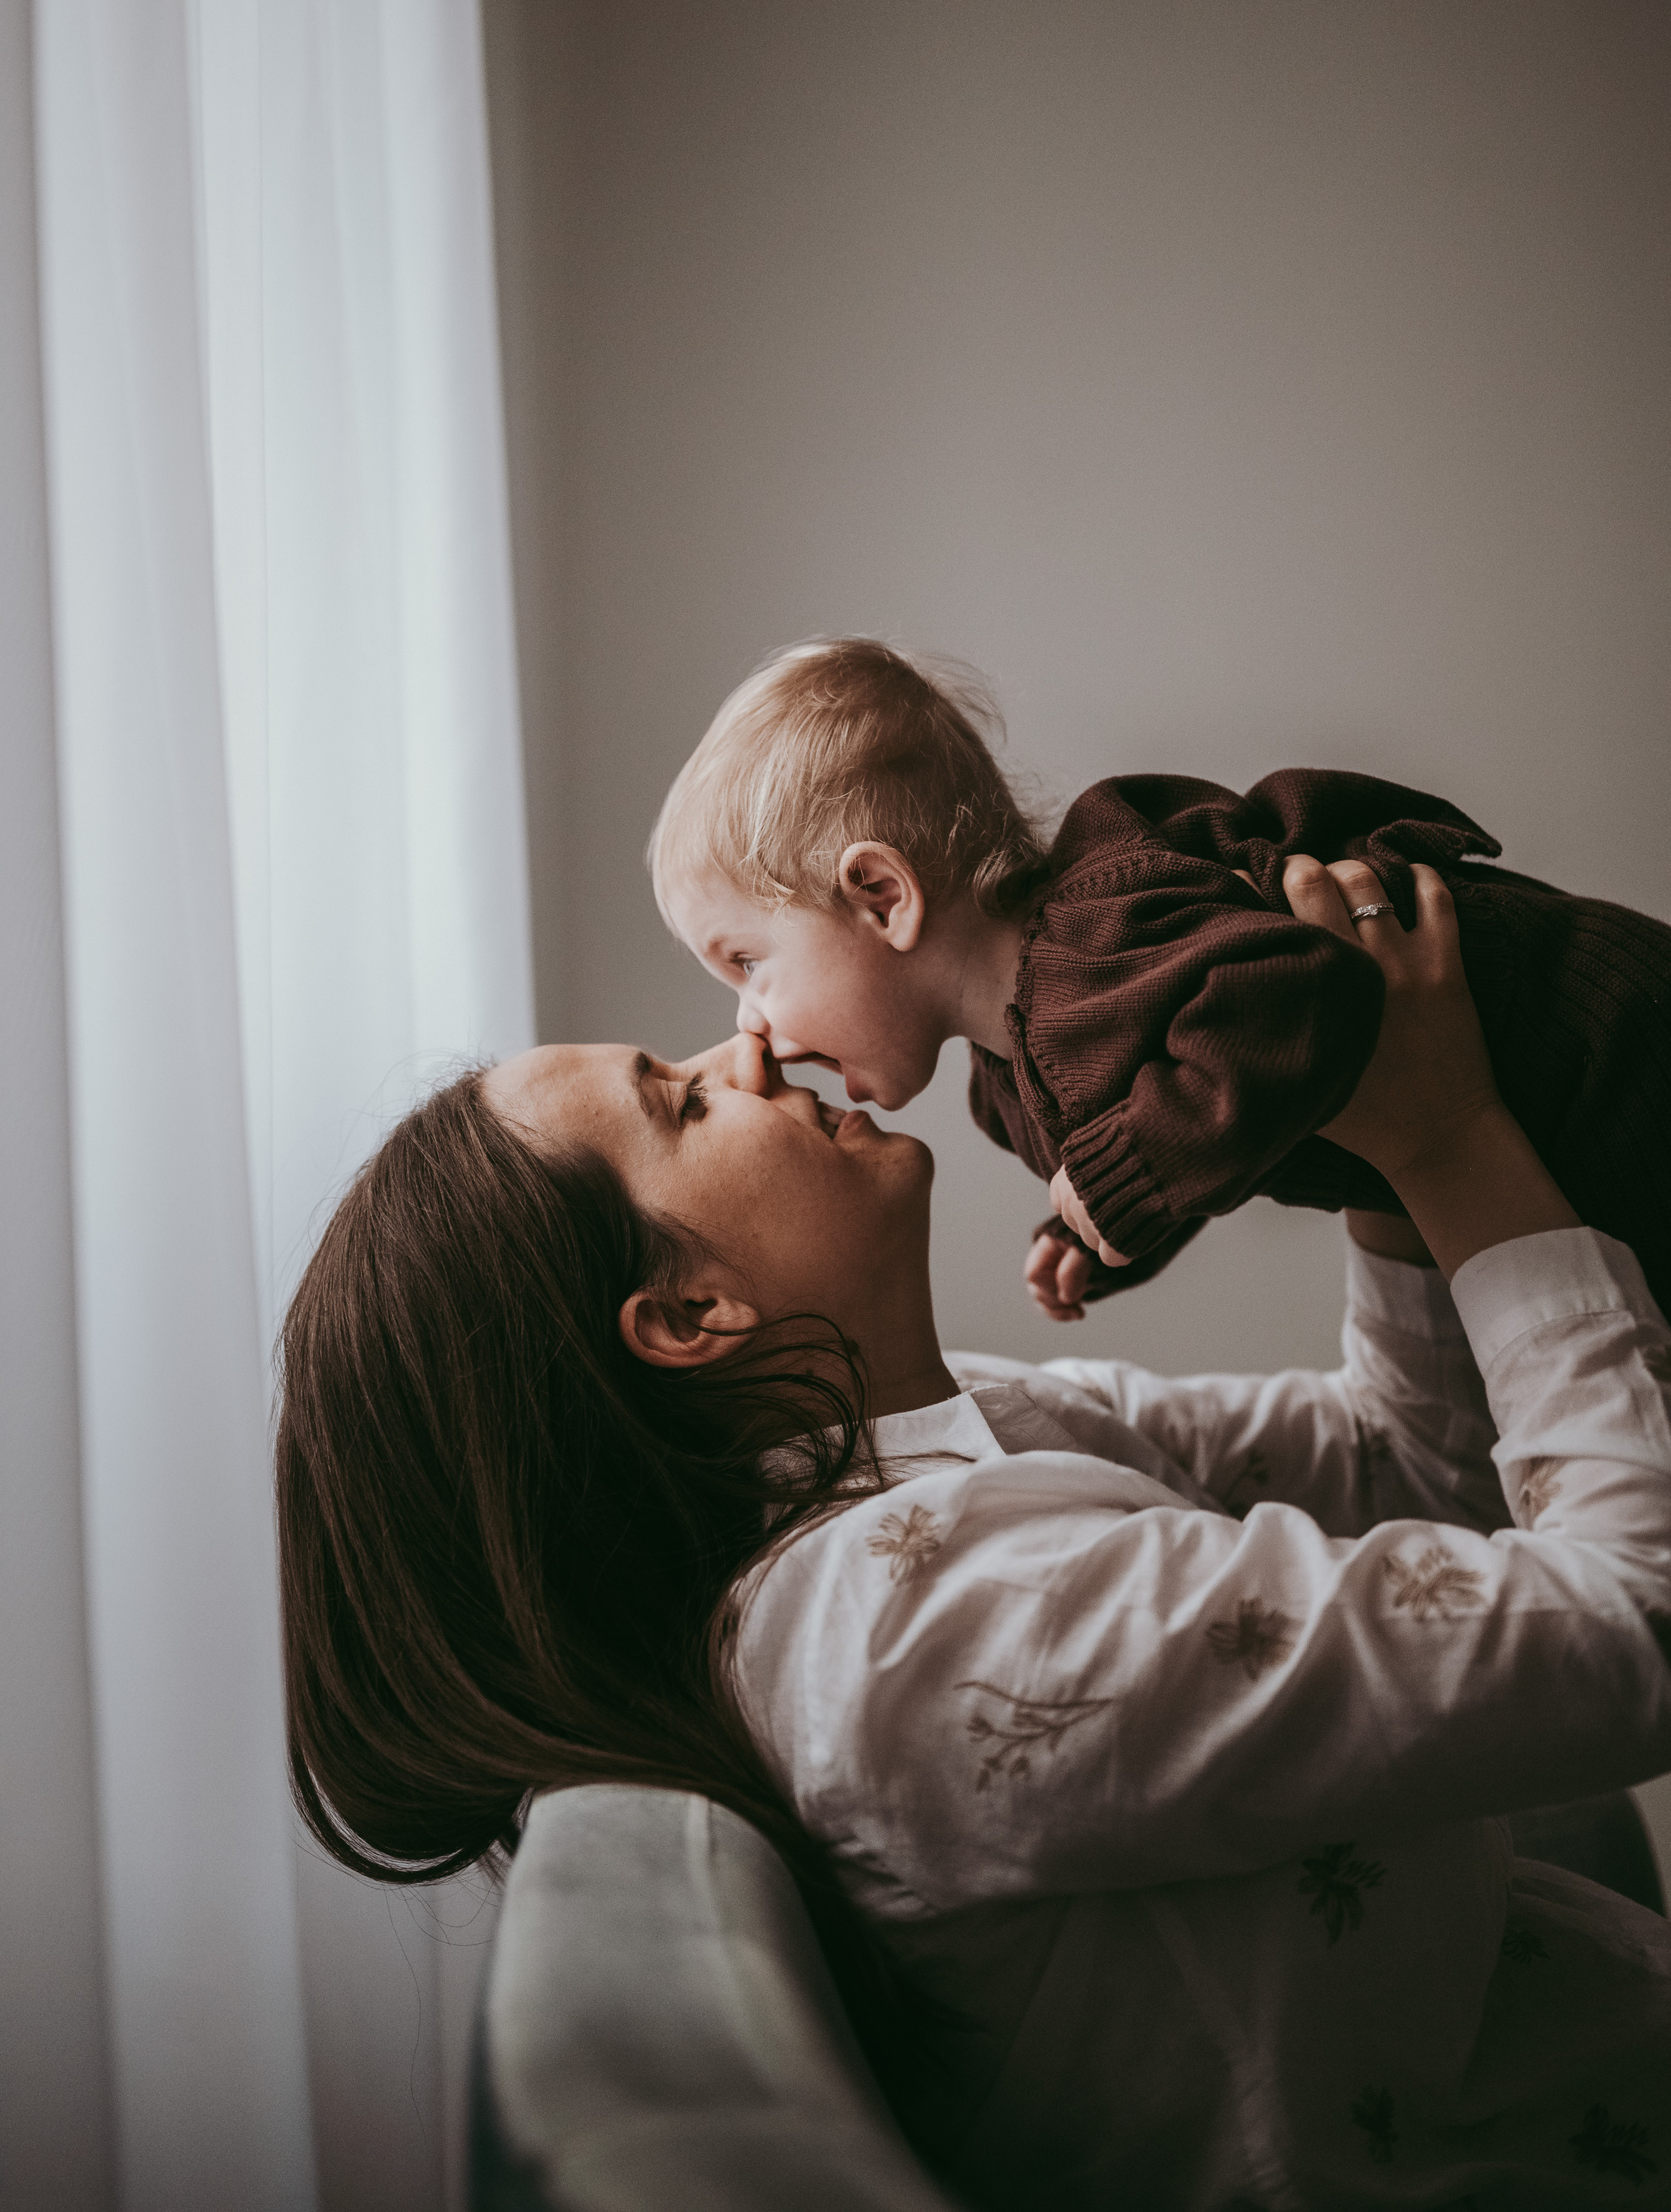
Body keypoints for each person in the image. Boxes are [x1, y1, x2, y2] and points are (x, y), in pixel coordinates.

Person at [276, 860, 1671, 2208]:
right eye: (683, 1103)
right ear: (690, 1316)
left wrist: (1357, 1122)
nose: (748, 1048)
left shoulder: (951, 1441)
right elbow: (1635, 1617)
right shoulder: (930, 1626)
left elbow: (1410, 1472)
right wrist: (1449, 1138)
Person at [647, 636, 1671, 1324]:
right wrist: (1108, 1229)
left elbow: (1295, 995)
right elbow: (1222, 1108)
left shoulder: (1099, 936)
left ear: (880, 896)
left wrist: (1124, 1180)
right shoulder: (1011, 1087)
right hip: (1560, 1150)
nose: (749, 1029)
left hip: (1607, 1039)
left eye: (748, 963)